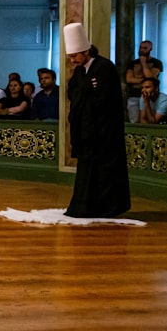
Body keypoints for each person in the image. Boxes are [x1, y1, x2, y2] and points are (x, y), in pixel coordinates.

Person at [63, 23, 130, 218]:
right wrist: (87, 87)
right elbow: (73, 92)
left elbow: (105, 98)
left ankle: (107, 208)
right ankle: (84, 206)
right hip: (86, 131)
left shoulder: (104, 67)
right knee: (87, 170)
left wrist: (87, 89)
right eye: (70, 57)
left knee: (105, 171)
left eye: (75, 56)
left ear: (85, 51)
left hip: (104, 130)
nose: (73, 60)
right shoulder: (80, 71)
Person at [124, 39, 162, 123]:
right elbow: (129, 79)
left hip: (149, 96)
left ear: (150, 49)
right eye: (140, 48)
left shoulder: (156, 63)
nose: (141, 50)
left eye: (145, 48)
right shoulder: (133, 63)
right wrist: (144, 79)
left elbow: (150, 78)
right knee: (134, 120)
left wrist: (143, 63)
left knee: (147, 120)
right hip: (133, 96)